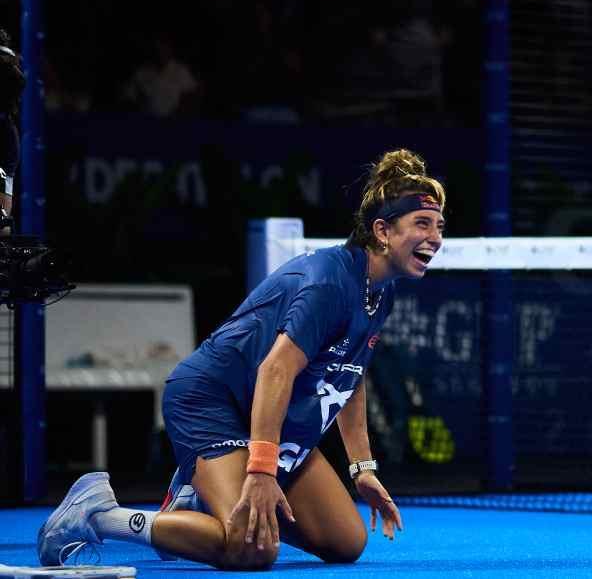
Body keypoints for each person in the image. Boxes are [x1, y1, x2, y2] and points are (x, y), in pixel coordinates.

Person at [37, 148, 446, 570]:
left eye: (439, 226)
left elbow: (348, 375)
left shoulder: (380, 290)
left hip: (267, 411)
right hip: (211, 400)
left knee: (345, 541)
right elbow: (275, 369)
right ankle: (99, 515)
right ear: (382, 230)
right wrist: (262, 471)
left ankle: (200, 502)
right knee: (252, 549)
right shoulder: (329, 284)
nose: (435, 237)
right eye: (422, 223)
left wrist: (362, 468)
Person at [0, 29, 24, 224]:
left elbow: (20, 81)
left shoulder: (11, 72)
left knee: (2, 222)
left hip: (5, 140)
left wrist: (8, 62)